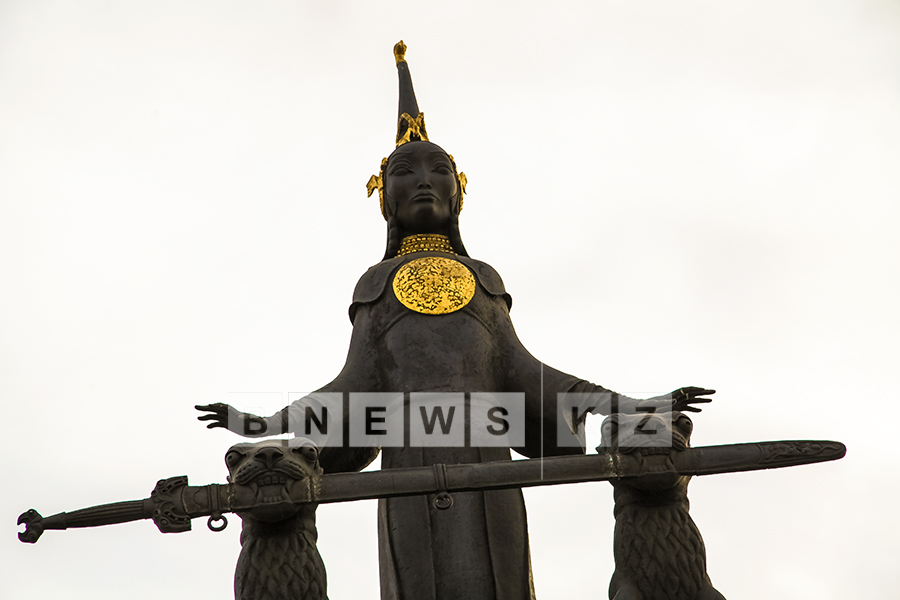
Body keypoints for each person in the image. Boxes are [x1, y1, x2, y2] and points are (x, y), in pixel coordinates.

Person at [196, 42, 713, 600]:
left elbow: (528, 374)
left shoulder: (484, 279)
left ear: (457, 190)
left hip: (489, 466)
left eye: (438, 170)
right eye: (405, 171)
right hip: (408, 469)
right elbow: (352, 388)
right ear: (384, 197)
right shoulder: (376, 286)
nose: (423, 180)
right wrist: (264, 423)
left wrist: (628, 406)